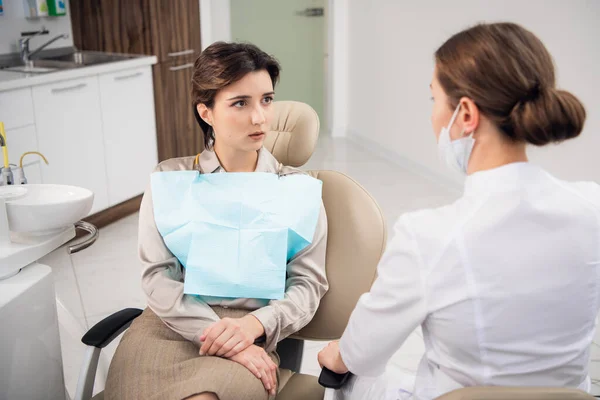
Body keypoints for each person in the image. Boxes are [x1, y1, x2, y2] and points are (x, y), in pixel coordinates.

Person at [318, 22, 600, 400]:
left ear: (466, 114)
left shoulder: (428, 235)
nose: (434, 115)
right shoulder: (591, 206)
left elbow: (362, 352)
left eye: (434, 99)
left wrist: (337, 353)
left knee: (354, 375)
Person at [105, 42, 328, 400]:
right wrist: (223, 337)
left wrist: (253, 327)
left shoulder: (299, 191)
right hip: (170, 325)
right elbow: (156, 276)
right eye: (241, 103)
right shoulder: (170, 179)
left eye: (267, 100)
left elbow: (309, 285)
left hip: (251, 330)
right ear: (206, 112)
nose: (260, 118)